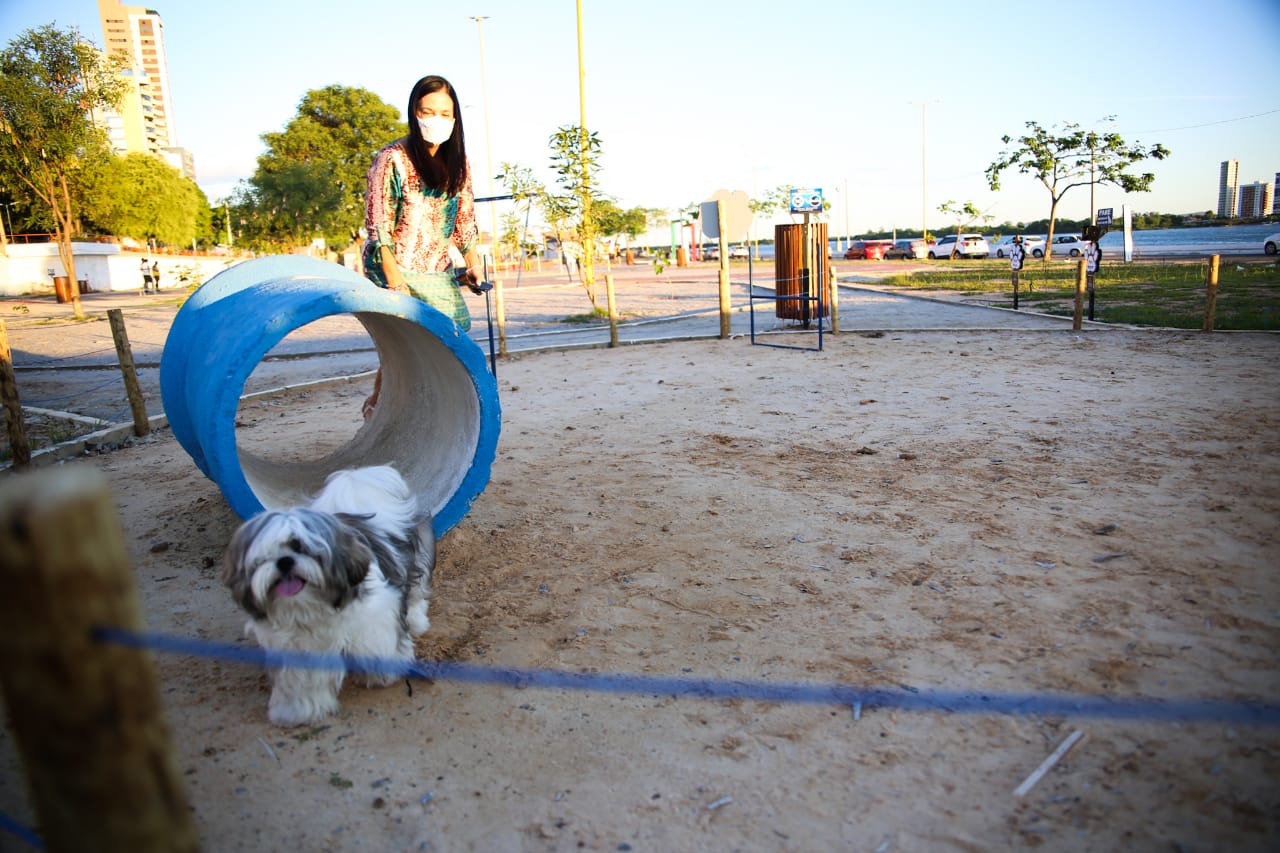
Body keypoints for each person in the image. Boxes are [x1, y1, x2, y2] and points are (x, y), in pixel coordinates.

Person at [360, 75, 485, 420]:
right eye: (428, 111)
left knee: (449, 340)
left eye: (445, 114)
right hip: (393, 266)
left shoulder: (458, 163)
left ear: (455, 118)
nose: (436, 120)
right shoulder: (391, 159)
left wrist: (473, 264)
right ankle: (377, 410)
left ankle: (440, 413)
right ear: (414, 113)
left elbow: (464, 221)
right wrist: (395, 284)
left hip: (436, 269)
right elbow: (378, 225)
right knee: (404, 348)